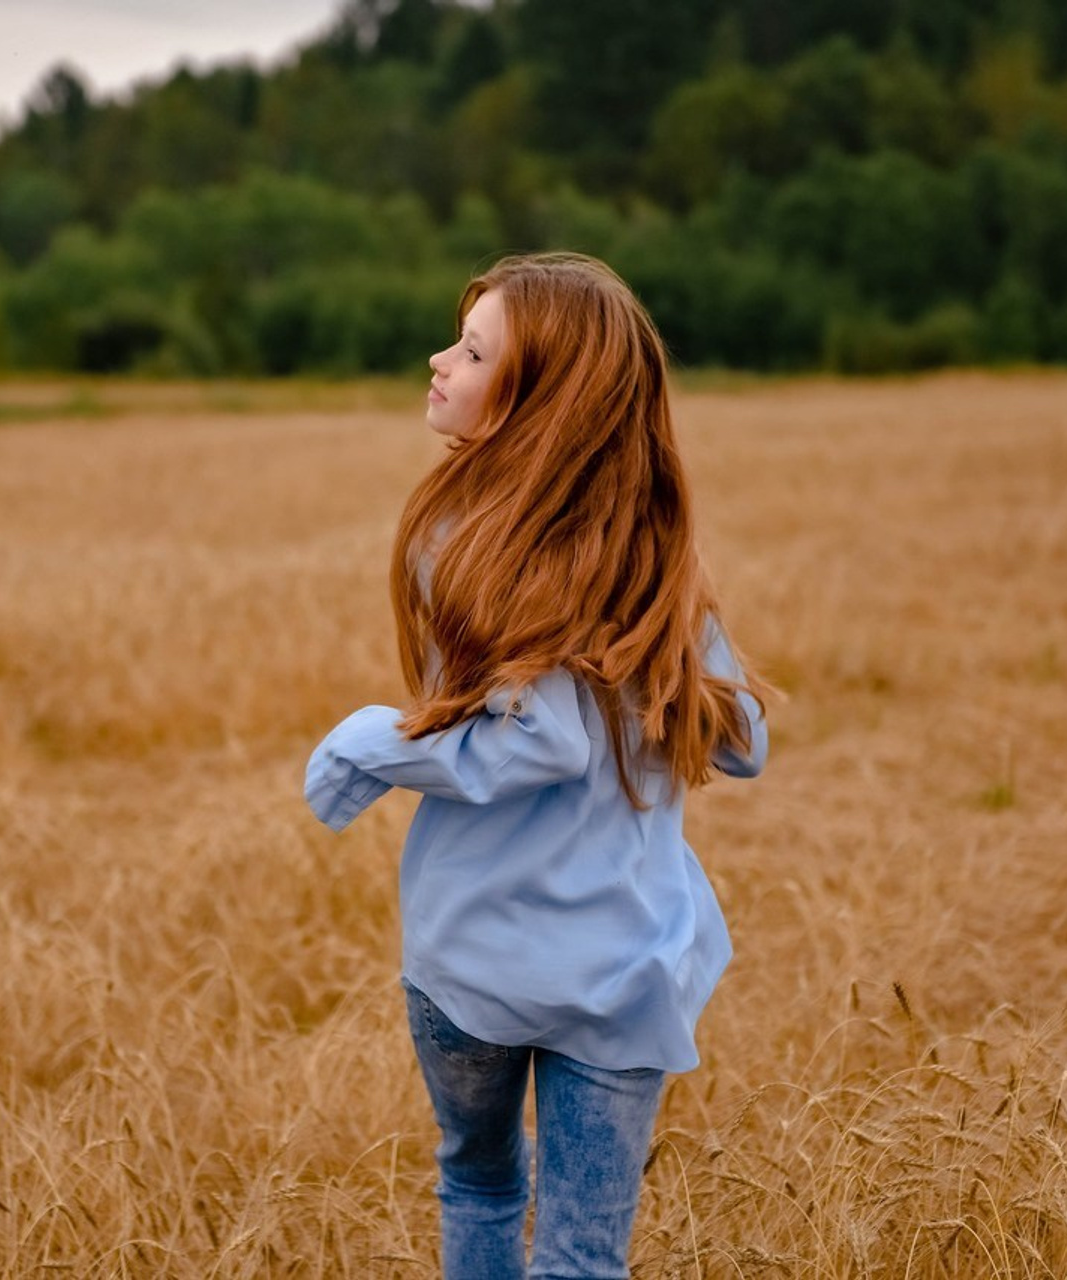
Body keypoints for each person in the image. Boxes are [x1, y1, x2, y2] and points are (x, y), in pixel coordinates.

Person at [304, 252, 768, 1279]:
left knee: (475, 1177)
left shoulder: (453, 541)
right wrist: (668, 645)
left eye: (470, 351)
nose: (438, 360)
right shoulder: (654, 562)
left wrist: (366, 741)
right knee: (580, 1256)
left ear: (537, 404)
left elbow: (535, 739)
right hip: (622, 964)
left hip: (472, 953)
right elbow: (743, 745)